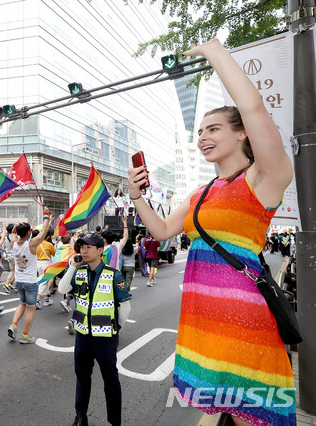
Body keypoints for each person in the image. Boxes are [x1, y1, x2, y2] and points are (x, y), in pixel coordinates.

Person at [128, 39, 295, 426]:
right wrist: (137, 198)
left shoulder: (263, 179)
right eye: (200, 131)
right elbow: (162, 230)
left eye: (214, 128)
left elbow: (254, 108)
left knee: (252, 416)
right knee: (218, 409)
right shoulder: (199, 193)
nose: (202, 137)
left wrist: (215, 53)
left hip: (245, 319)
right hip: (200, 321)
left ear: (242, 134)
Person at [58, 233, 131, 426]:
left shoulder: (114, 275)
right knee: (82, 377)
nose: (84, 250)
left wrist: (117, 328)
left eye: (89, 247)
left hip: (105, 337)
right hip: (83, 335)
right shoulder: (79, 271)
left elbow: (125, 307)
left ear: (100, 250)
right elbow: (62, 289)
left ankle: (115, 421)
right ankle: (80, 416)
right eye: (82, 246)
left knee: (110, 380)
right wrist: (72, 267)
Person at [7, 207, 53, 344]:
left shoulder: (14, 243)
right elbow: (45, 231)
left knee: (22, 303)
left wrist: (18, 226)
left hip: (19, 281)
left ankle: (13, 325)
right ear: (28, 232)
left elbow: (13, 232)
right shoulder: (31, 244)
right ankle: (25, 336)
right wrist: (46, 213)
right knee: (30, 309)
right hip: (30, 282)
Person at [36, 230, 56, 307]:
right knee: (44, 282)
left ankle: (46, 299)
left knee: (44, 281)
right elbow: (54, 253)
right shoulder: (49, 244)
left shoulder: (37, 243)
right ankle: (37, 300)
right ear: (48, 237)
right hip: (46, 263)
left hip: (38, 263)